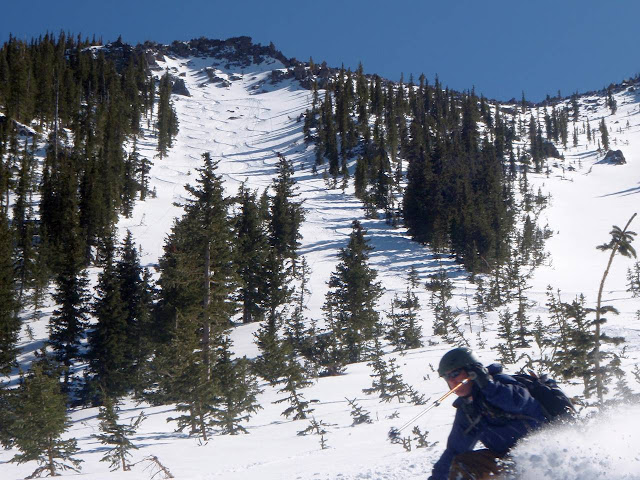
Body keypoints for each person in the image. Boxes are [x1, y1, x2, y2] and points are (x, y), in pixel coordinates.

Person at [428, 347, 548, 480]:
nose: (451, 381)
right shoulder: (467, 408)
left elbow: (520, 402)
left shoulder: (501, 383)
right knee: (463, 464)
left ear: (472, 371)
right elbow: (454, 450)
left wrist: (488, 386)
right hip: (506, 460)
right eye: (446, 377)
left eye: (455, 374)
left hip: (541, 454)